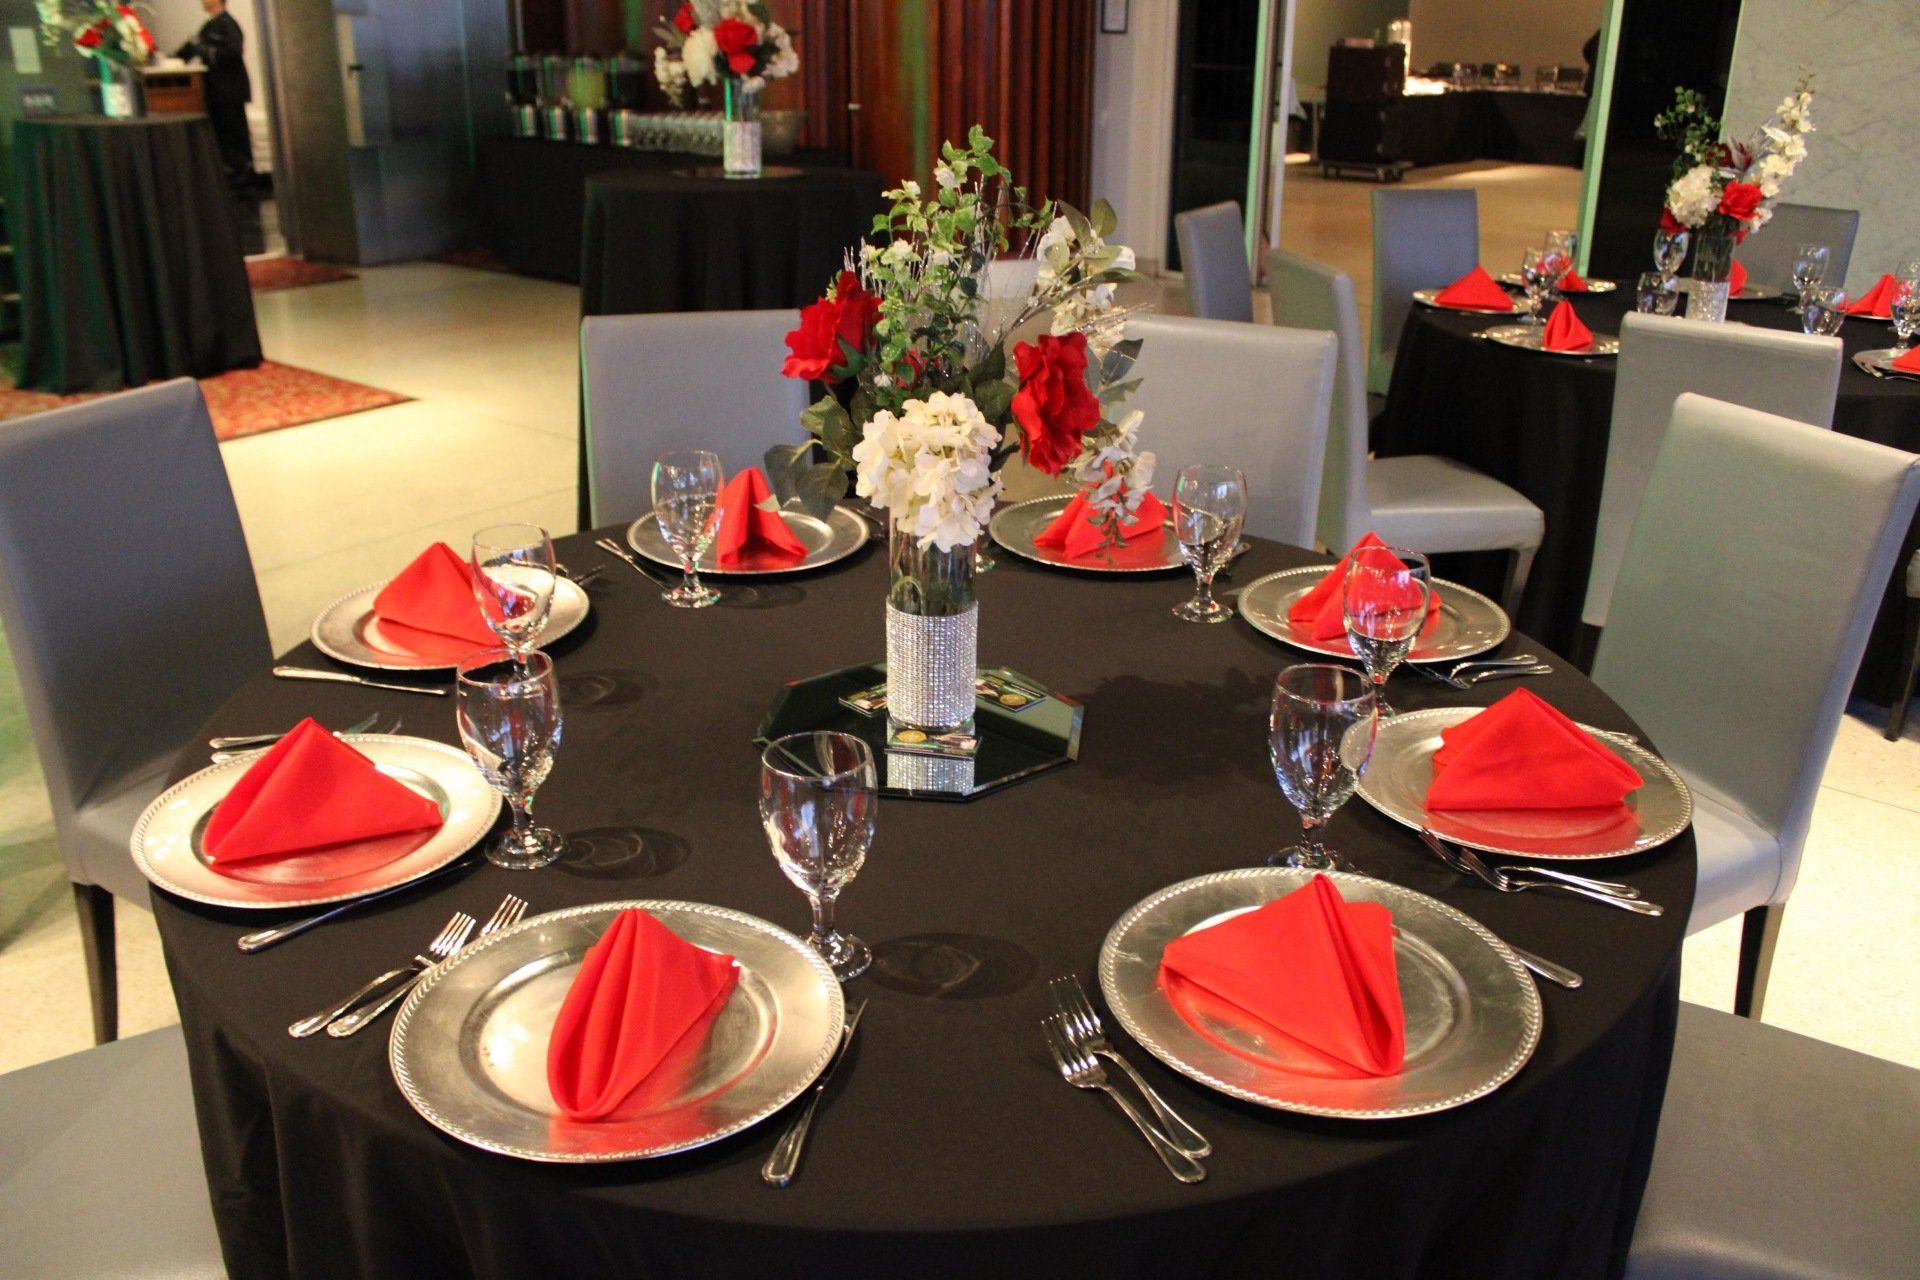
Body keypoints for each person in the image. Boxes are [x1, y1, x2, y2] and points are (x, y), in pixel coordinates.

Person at [175, 0, 255, 189]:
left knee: (234, 135)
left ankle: (242, 176)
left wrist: (205, 51)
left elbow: (234, 53)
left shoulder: (228, 24)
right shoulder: (209, 26)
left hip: (229, 91)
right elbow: (189, 49)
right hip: (216, 92)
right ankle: (230, 173)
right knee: (222, 135)